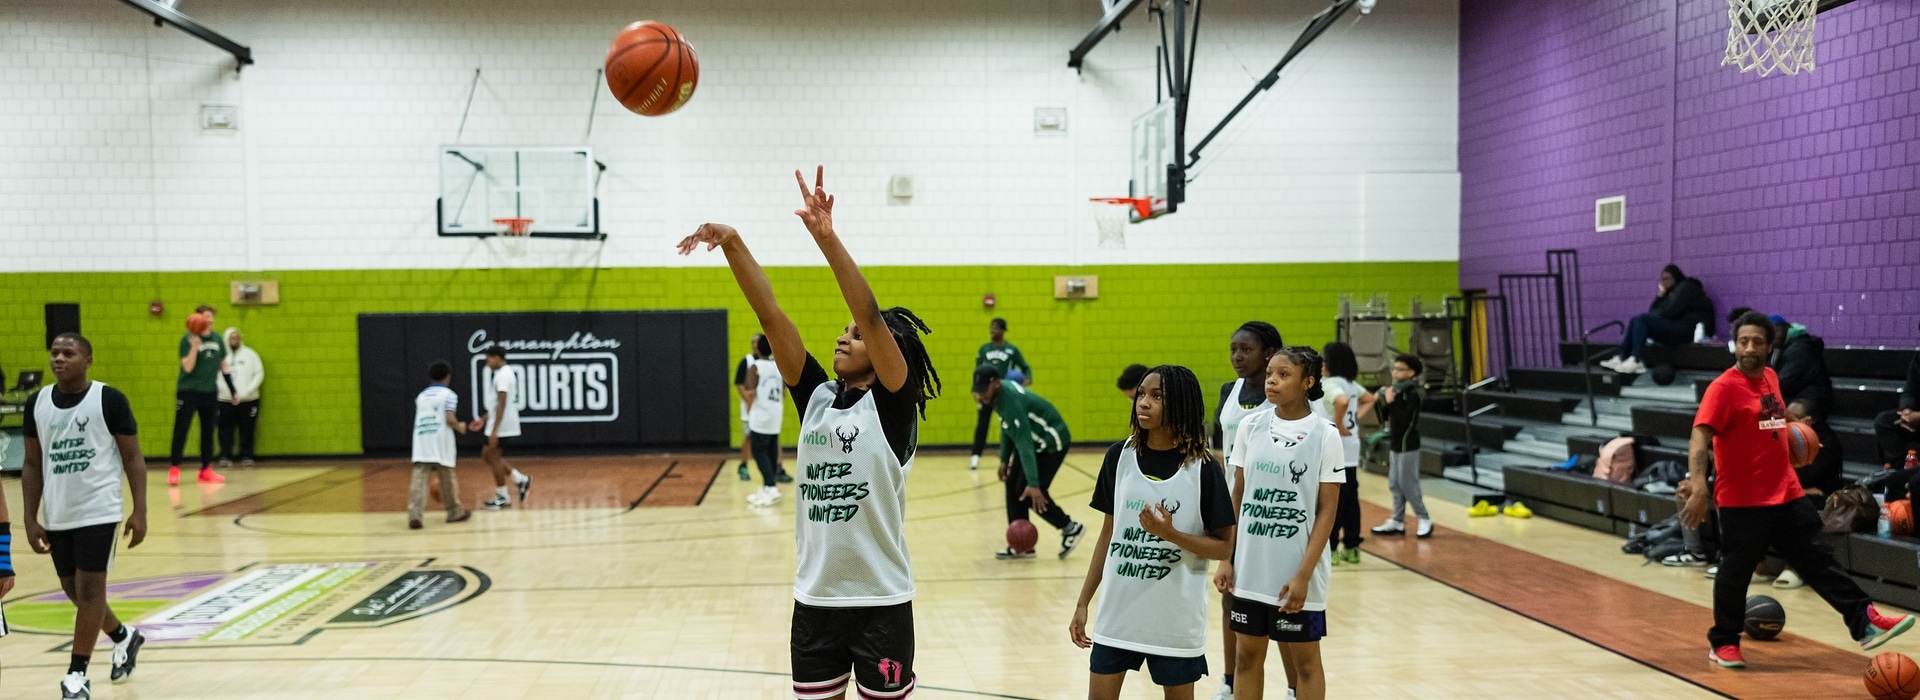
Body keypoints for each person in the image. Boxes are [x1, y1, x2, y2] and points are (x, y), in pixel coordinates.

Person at [676, 166, 939, 700]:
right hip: (815, 601)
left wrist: (826, 239)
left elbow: (869, 314)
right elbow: (771, 316)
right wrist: (733, 244)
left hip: (881, 602)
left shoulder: (893, 405)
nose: (845, 338)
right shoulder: (817, 397)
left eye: (856, 337)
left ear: (884, 351)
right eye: (843, 333)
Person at [1681, 312, 1914, 669]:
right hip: (1743, 500)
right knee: (1736, 572)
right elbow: (1700, 437)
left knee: (1819, 560)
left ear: (1769, 347)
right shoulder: (1723, 388)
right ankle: (1724, 642)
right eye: (1743, 341)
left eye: (1757, 342)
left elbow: (1768, 421)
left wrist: (1795, 428)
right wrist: (1699, 487)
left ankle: (1864, 621)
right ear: (1734, 345)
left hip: (1786, 491)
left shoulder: (1771, 378)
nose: (1749, 348)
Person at [1070, 365, 1236, 699]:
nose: (1143, 403)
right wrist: (1083, 602)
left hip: (1175, 621)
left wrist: (1171, 534)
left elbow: (1223, 548)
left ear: (1181, 404)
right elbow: (1107, 536)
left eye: (1157, 396)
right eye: (1141, 394)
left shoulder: (1203, 468)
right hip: (1118, 616)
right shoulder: (1119, 457)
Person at [22, 333, 149, 699]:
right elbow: (32, 464)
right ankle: (124, 636)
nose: (59, 359)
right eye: (54, 353)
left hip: (99, 508)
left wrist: (140, 510)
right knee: (73, 590)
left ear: (88, 360)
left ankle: (76, 675)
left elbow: (132, 457)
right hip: (58, 512)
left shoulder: (109, 399)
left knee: (91, 589)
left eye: (68, 353)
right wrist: (30, 518)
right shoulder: (37, 403)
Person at [1216, 346, 1344, 700]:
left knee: (1306, 664)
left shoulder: (1326, 434)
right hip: (1250, 570)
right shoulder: (1250, 427)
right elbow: (1237, 496)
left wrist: (1303, 576)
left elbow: (1327, 511)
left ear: (1308, 382)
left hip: (1299, 572)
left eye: (1283, 374)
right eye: (1270, 373)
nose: (1271, 380)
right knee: (1246, 657)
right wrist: (1226, 557)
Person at [1208, 320, 1281, 700]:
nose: (1237, 356)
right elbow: (1221, 448)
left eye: (1246, 350)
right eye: (1233, 349)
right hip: (1234, 505)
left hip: (1270, 506)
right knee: (1230, 594)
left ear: (1268, 353)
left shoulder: (1282, 394)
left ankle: (1293, 686)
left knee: (1282, 601)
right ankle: (1229, 680)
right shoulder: (1229, 391)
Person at [975, 364, 1084, 560]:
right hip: (1034, 442)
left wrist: (1033, 484)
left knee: (1028, 493)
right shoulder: (998, 397)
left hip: (1051, 442)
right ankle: (1021, 546)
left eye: (984, 390)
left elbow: (1025, 444)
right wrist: (1004, 460)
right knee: (1013, 485)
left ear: (996, 383)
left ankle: (1070, 527)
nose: (980, 395)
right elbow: (1007, 429)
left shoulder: (1011, 401)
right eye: (978, 391)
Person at [1601, 264, 1714, 374]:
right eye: (1663, 279)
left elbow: (1669, 313)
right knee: (1635, 319)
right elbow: (1654, 313)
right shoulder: (1671, 293)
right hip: (1678, 326)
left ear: (1676, 277)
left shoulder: (1686, 287)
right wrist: (1660, 296)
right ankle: (1622, 356)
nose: (1665, 281)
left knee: (1642, 319)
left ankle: (1636, 359)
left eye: (1668, 278)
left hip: (1690, 330)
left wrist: (1662, 303)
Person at [1319, 342, 1372, 565]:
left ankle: (1331, 549)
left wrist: (1338, 424)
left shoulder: (1329, 384)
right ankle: (1352, 547)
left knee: (1333, 501)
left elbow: (1340, 401)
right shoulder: (1350, 383)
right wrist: (1354, 418)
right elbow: (1369, 398)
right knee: (1351, 499)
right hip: (1351, 447)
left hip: (1334, 448)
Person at [408, 361, 473, 530]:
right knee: (447, 478)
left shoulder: (421, 396)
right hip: (441, 439)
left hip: (422, 438)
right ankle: (454, 512)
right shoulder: (449, 395)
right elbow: (449, 418)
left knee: (419, 478)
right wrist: (460, 427)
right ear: (448, 377)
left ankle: (415, 515)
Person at [1371, 355, 1431, 538]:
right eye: (1394, 368)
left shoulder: (1414, 394)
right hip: (1396, 445)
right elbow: (1385, 417)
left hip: (1408, 445)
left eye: (1399, 369)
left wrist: (1392, 401)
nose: (1394, 372)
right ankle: (1397, 520)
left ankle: (1423, 518)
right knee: (1395, 483)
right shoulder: (1396, 391)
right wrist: (1379, 401)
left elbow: (1406, 421)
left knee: (1408, 484)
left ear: (1411, 373)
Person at [170, 303, 228, 485]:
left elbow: (223, 366)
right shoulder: (187, 339)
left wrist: (233, 390)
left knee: (208, 432)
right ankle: (174, 468)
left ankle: (205, 469)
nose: (209, 319)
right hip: (188, 391)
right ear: (198, 318)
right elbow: (187, 367)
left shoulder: (217, 339)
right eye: (205, 316)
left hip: (209, 392)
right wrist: (194, 347)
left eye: (211, 316)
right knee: (181, 429)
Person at [971, 317, 1032, 470]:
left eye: (996, 328)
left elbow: (1025, 367)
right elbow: (977, 372)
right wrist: (975, 390)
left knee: (1010, 424)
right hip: (986, 393)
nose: (993, 330)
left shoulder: (1012, 350)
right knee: (982, 424)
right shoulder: (984, 350)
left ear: (1003, 330)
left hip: (1004, 394)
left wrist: (1028, 378)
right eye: (991, 327)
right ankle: (975, 456)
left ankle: (1012, 455)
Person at [478, 346, 532, 510]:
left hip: (502, 425)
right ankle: (520, 479)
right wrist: (484, 418)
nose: (487, 362)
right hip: (497, 422)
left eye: (489, 358)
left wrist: (495, 429)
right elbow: (497, 403)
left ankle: (502, 496)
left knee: (494, 457)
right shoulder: (503, 373)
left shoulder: (503, 375)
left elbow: (502, 402)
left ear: (497, 358)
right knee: (487, 455)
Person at [745, 334, 787, 507]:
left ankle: (770, 486)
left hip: (761, 414)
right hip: (775, 413)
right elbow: (784, 392)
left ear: (757, 348)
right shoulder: (778, 366)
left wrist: (749, 410)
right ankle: (769, 486)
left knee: (758, 451)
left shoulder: (755, 366)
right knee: (771, 449)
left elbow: (750, 391)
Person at [215, 327, 264, 469]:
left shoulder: (250, 355)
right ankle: (225, 455)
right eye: (232, 338)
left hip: (248, 400)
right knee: (225, 429)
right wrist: (229, 392)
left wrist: (248, 391)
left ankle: (247, 455)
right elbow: (215, 376)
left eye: (236, 338)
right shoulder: (220, 356)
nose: (234, 341)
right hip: (225, 400)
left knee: (247, 429)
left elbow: (259, 373)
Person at [1873, 322, 1920, 467]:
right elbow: (1909, 391)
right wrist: (1907, 411)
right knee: (1884, 421)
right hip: (1914, 417)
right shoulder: (1918, 358)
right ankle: (1902, 467)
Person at [735, 335, 762, 481]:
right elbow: (739, 384)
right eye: (753, 342)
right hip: (750, 408)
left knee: (772, 438)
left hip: (766, 408)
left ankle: (777, 467)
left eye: (757, 342)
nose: (755, 345)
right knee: (749, 436)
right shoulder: (747, 361)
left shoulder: (770, 361)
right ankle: (743, 465)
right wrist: (749, 401)